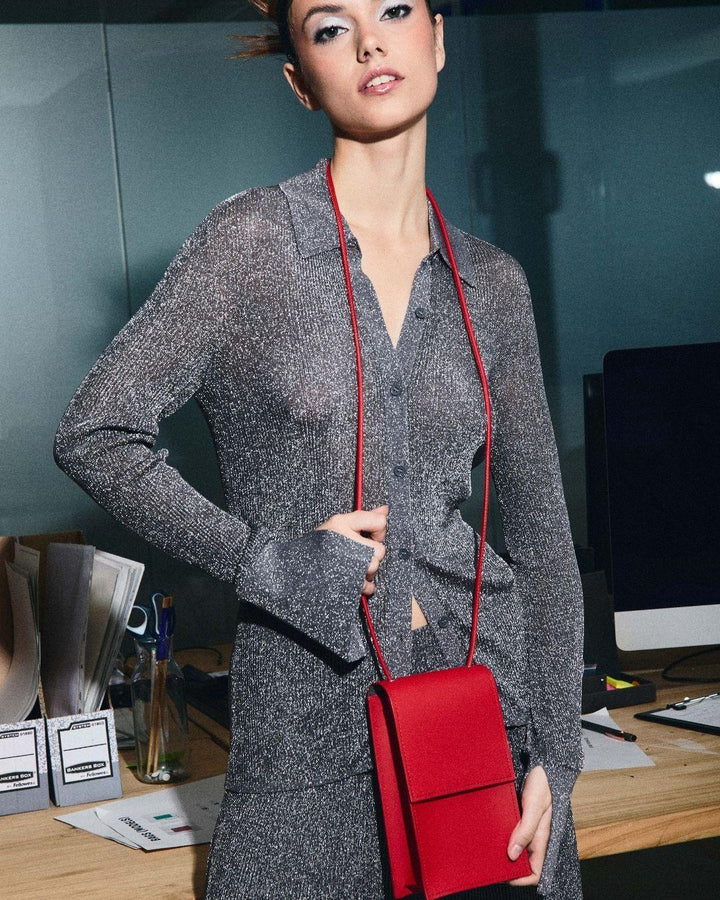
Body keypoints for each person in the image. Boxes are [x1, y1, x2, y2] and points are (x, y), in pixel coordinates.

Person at [53, 0, 584, 897]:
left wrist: (557, 756)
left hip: (488, 711)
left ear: (438, 37)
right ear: (300, 81)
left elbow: (542, 539)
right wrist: (263, 560)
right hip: (307, 724)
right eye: (331, 27)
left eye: (395, 9)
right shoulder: (250, 243)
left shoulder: (493, 282)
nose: (371, 40)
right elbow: (97, 433)